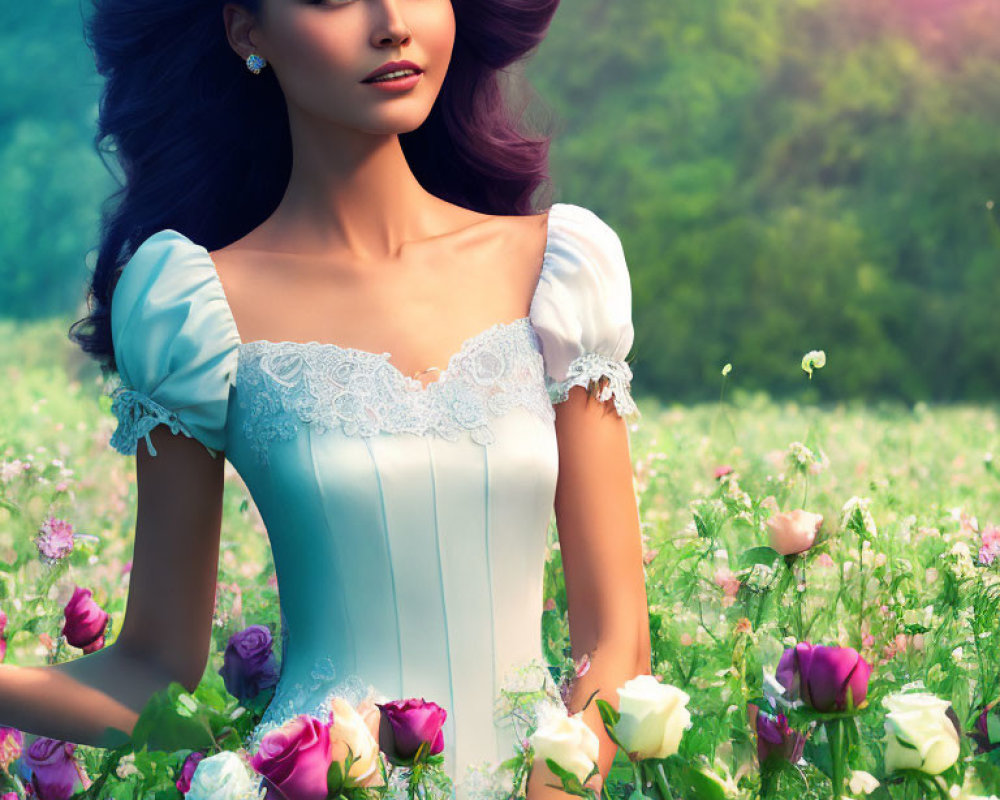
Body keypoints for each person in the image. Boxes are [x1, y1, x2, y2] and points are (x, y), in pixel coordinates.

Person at [1, 0, 652, 798]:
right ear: (246, 30)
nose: (391, 23)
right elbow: (153, 671)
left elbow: (617, 640)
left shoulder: (559, 267)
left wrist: (553, 786)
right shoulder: (191, 306)